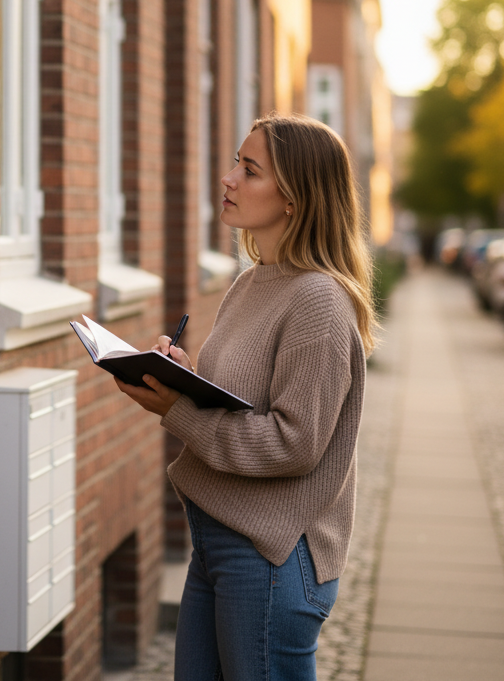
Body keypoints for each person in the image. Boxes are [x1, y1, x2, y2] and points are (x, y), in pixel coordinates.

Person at [116, 112, 376, 681]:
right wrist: (181, 373)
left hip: (271, 556)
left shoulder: (318, 303)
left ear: (294, 198)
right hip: (217, 540)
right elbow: (237, 398)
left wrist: (177, 412)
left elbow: (294, 443)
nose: (229, 178)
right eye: (237, 161)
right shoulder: (251, 281)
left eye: (249, 169)